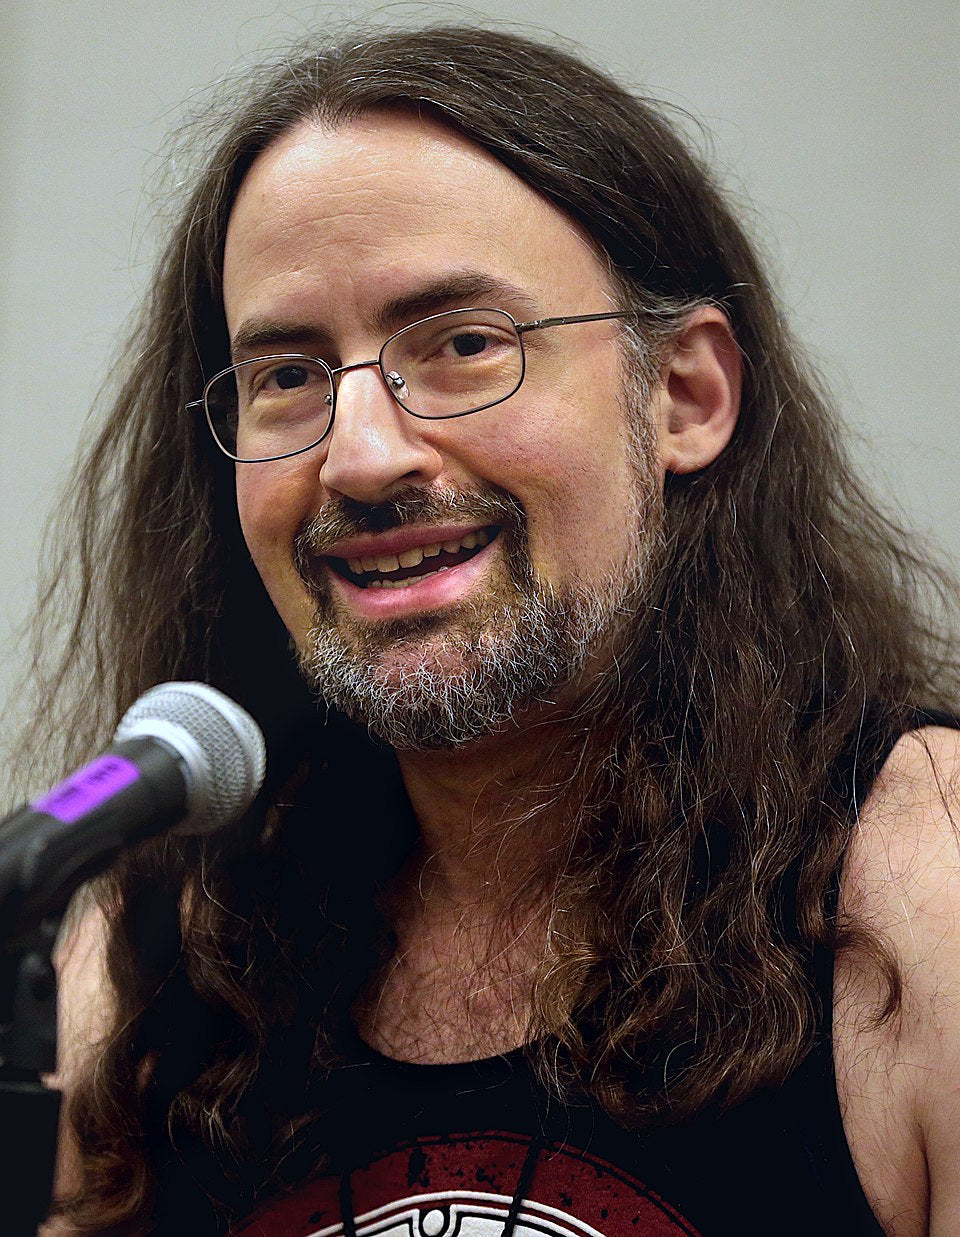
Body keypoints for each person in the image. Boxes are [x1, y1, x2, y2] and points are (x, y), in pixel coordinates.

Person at [22, 23, 960, 1237]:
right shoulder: (154, 954)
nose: (358, 457)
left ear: (685, 396)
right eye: (290, 375)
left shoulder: (922, 887)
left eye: (465, 346)